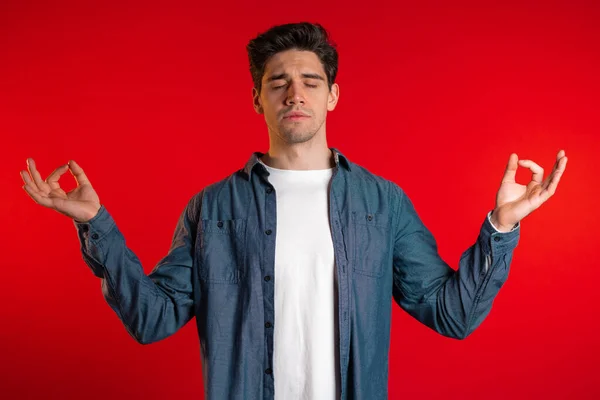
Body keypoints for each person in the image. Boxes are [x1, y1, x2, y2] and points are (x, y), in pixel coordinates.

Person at [20, 22, 567, 400]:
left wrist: (502, 226)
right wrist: (94, 225)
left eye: (310, 82)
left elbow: (452, 314)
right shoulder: (213, 208)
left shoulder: (382, 203)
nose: (294, 94)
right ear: (257, 99)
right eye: (278, 83)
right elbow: (152, 318)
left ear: (333, 96)